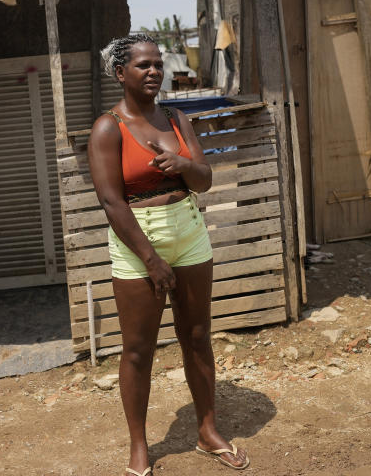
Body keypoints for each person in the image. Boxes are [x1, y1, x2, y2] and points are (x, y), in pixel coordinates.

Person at [87, 34, 250, 475]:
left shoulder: (177, 119)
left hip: (189, 230)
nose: (154, 71)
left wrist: (182, 166)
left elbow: (204, 180)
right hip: (137, 241)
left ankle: (207, 431)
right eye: (143, 65)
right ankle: (140, 446)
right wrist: (152, 261)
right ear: (121, 74)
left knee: (197, 336)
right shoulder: (108, 128)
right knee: (138, 349)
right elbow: (111, 202)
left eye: (158, 63)